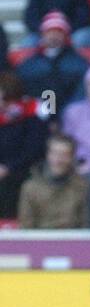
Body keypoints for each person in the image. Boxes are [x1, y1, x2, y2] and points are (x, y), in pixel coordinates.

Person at [17, 10, 88, 114]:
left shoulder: (79, 64)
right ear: (42, 34)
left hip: (70, 116)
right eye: (50, 31)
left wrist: (66, 112)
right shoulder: (28, 66)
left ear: (65, 35)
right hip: (37, 117)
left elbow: (80, 95)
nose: (54, 36)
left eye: (58, 32)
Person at [0, 71, 49, 219]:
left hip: (23, 169)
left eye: (6, 99)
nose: (2, 104)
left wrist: (8, 168)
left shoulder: (32, 113)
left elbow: (34, 148)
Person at [18, 133, 88, 229]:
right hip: (39, 241)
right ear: (48, 155)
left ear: (72, 158)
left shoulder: (82, 187)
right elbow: (26, 226)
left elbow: (85, 223)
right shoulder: (30, 188)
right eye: (55, 153)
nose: (58, 159)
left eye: (64, 155)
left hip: (72, 241)